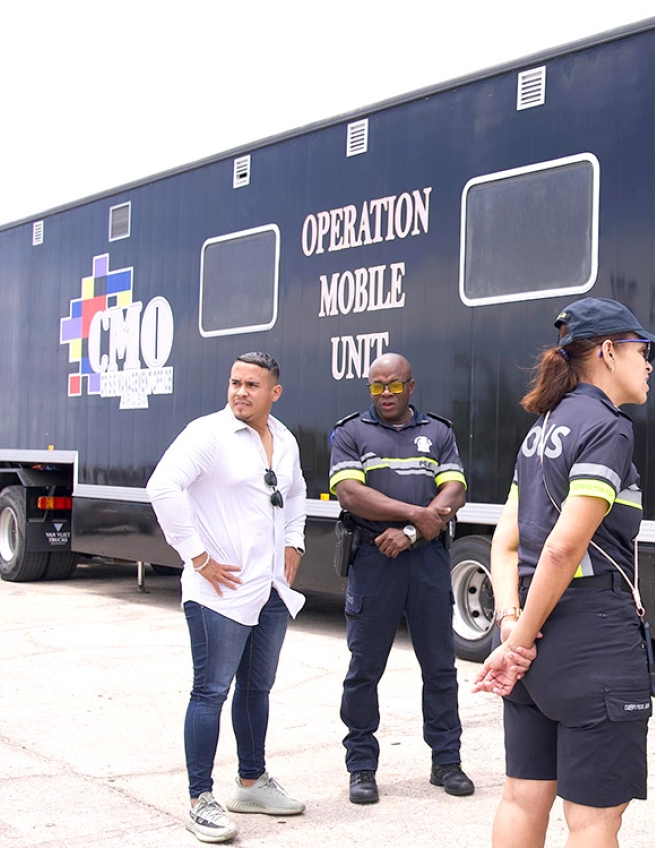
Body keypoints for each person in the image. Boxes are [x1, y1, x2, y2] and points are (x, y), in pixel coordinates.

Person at [473, 297, 655, 848]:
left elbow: (506, 542)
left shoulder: (542, 428)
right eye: (642, 350)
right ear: (609, 352)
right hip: (590, 638)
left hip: (535, 640)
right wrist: (518, 641)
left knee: (521, 796)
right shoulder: (609, 427)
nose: (649, 363)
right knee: (594, 820)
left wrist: (512, 624)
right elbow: (562, 549)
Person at [147, 351, 308, 844]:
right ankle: (200, 799)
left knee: (256, 690)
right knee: (210, 692)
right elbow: (163, 487)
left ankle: (251, 782)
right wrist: (196, 556)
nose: (240, 392)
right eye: (235, 382)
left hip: (269, 590)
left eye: (252, 385)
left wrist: (294, 541)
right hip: (218, 592)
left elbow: (296, 492)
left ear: (274, 393)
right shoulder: (207, 434)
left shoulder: (283, 440)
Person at [328, 352, 472, 804]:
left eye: (394, 385)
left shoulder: (438, 432)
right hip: (373, 560)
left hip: (425, 560)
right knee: (364, 670)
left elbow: (456, 490)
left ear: (412, 386)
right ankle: (362, 767)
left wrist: (411, 531)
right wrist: (416, 513)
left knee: (440, 667)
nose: (385, 394)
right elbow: (350, 493)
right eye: (377, 386)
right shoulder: (351, 432)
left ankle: (446, 761)